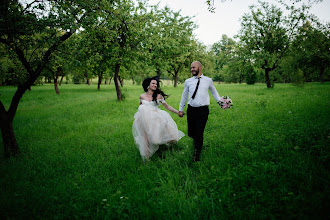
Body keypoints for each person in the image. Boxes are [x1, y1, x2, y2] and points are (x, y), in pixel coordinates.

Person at [133, 76, 184, 161]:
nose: (155, 85)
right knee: (145, 139)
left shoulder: (159, 96)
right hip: (143, 120)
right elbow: (140, 107)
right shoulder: (142, 96)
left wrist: (178, 112)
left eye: (156, 84)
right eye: (153, 83)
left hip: (156, 119)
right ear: (148, 85)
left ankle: (168, 147)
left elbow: (167, 107)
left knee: (157, 140)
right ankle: (146, 158)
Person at [178, 61, 222, 162]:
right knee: (191, 132)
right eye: (191, 68)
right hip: (191, 110)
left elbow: (214, 92)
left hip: (203, 110)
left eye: (193, 67)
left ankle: (196, 155)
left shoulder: (208, 80)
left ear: (200, 67)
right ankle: (196, 142)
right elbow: (184, 95)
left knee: (199, 132)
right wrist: (181, 109)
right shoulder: (188, 81)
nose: (192, 69)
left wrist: (220, 102)